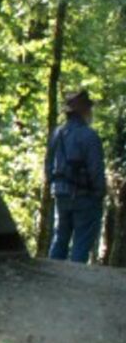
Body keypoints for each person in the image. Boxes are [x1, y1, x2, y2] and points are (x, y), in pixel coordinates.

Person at [44, 90, 106, 263]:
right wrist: (99, 193)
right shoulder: (89, 136)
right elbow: (96, 169)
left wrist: (53, 185)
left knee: (60, 238)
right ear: (84, 111)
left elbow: (48, 164)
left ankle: (52, 280)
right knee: (81, 242)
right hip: (85, 196)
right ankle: (75, 284)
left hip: (61, 194)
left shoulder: (57, 134)